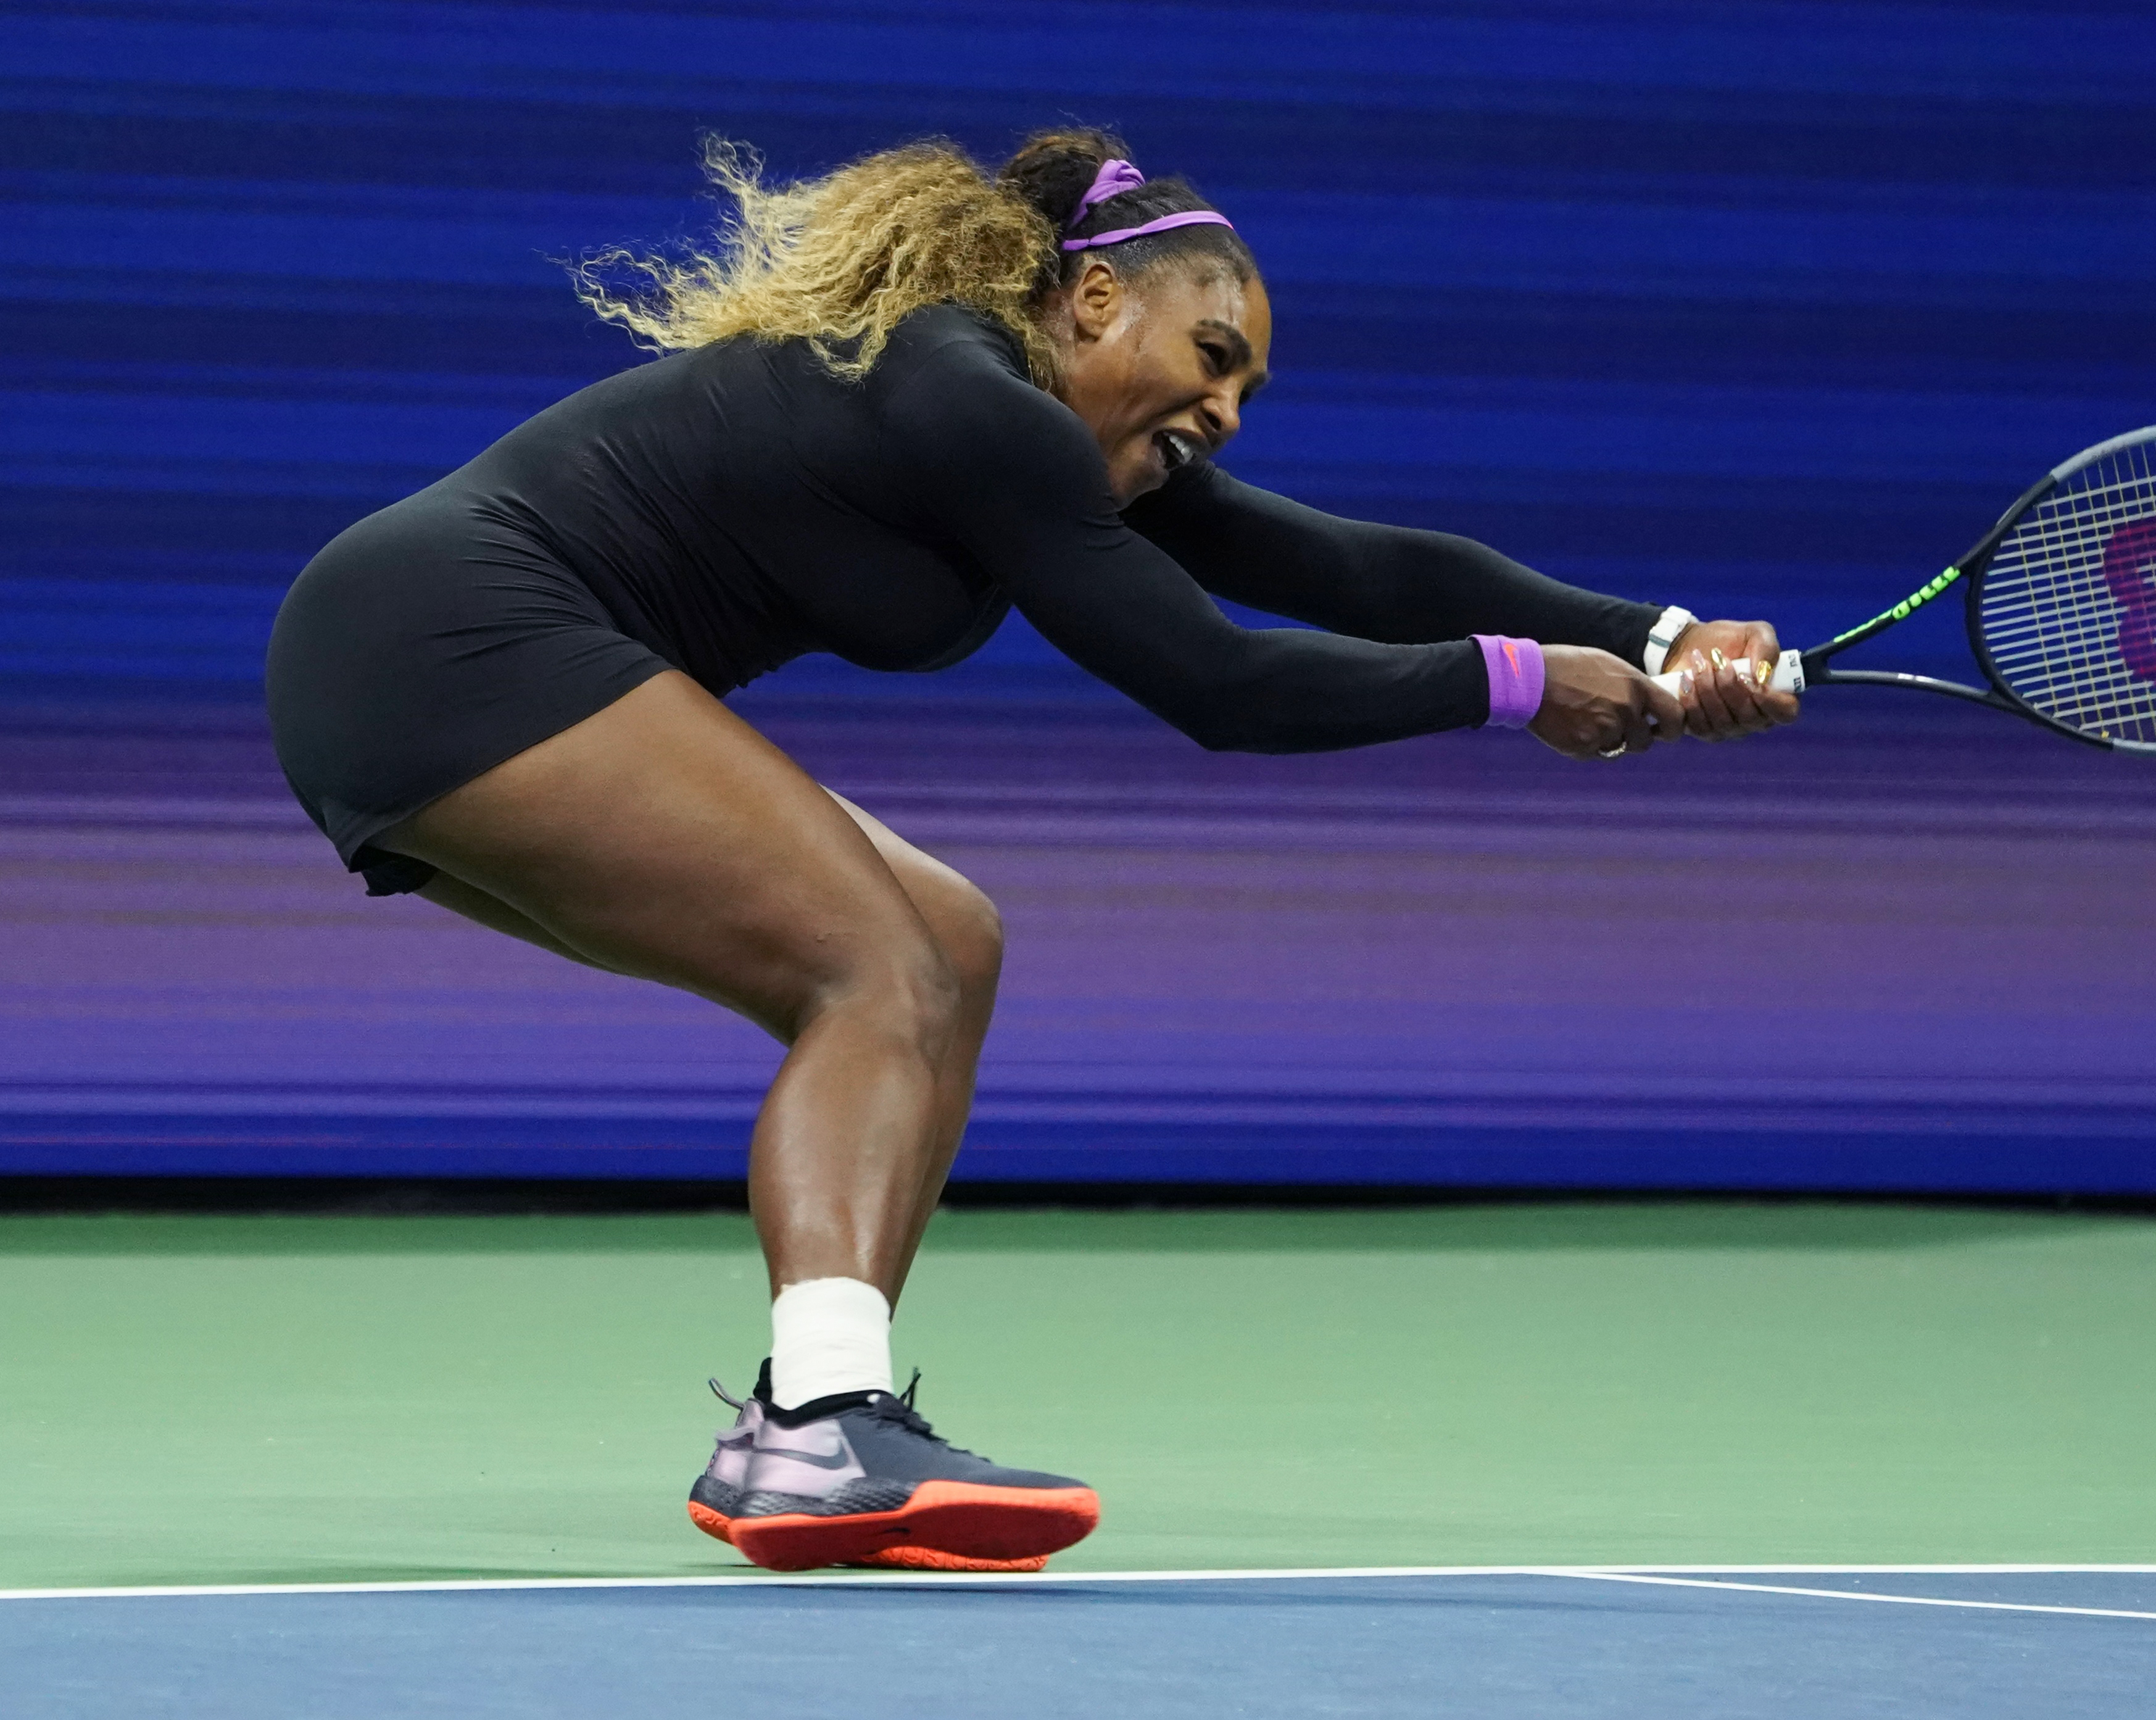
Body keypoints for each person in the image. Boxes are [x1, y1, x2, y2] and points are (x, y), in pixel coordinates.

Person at [262, 128, 1800, 1573]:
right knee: (870, 965)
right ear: (1095, 299)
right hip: (441, 635)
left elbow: (1350, 566)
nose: (1226, 412)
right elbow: (1219, 685)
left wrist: (1659, 635)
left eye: (1249, 391)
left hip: (436, 662)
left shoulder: (1044, 437)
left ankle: (817, 1408)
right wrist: (1515, 684)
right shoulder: (965, 396)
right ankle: (820, 1421)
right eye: (1214, 357)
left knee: (946, 940)